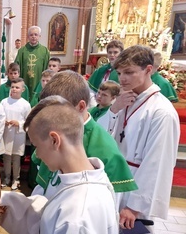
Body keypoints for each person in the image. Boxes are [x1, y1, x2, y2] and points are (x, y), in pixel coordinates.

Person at [0, 96, 119, 234]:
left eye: (37, 146)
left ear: (55, 140)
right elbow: (50, 216)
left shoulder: (77, 216)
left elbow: (61, 220)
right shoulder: (87, 178)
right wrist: (5, 200)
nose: (38, 155)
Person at [103, 45, 180, 234]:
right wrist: (114, 110)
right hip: (115, 183)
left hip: (136, 190)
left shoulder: (161, 111)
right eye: (119, 72)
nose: (122, 78)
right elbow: (103, 138)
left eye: (129, 72)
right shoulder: (125, 100)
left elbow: (157, 163)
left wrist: (135, 206)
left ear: (148, 70)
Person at [32, 70, 137, 199]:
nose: (50, 118)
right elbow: (44, 184)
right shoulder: (54, 131)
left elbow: (108, 203)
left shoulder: (106, 150)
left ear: (81, 107)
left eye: (57, 111)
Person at [0, 78, 31, 190]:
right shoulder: (4, 102)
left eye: (17, 87)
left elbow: (28, 121)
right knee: (7, 157)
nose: (14, 89)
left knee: (16, 157)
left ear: (22, 89)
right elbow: (0, 117)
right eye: (12, 87)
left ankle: (16, 179)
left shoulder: (25, 104)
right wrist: (4, 122)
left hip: (18, 134)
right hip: (6, 133)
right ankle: (7, 177)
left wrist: (19, 123)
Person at [15, 26, 50, 100]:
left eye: (36, 35)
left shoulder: (45, 51)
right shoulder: (22, 51)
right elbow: (16, 67)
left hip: (39, 82)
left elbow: (47, 68)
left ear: (39, 36)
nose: (33, 37)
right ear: (28, 37)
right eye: (31, 35)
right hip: (24, 80)